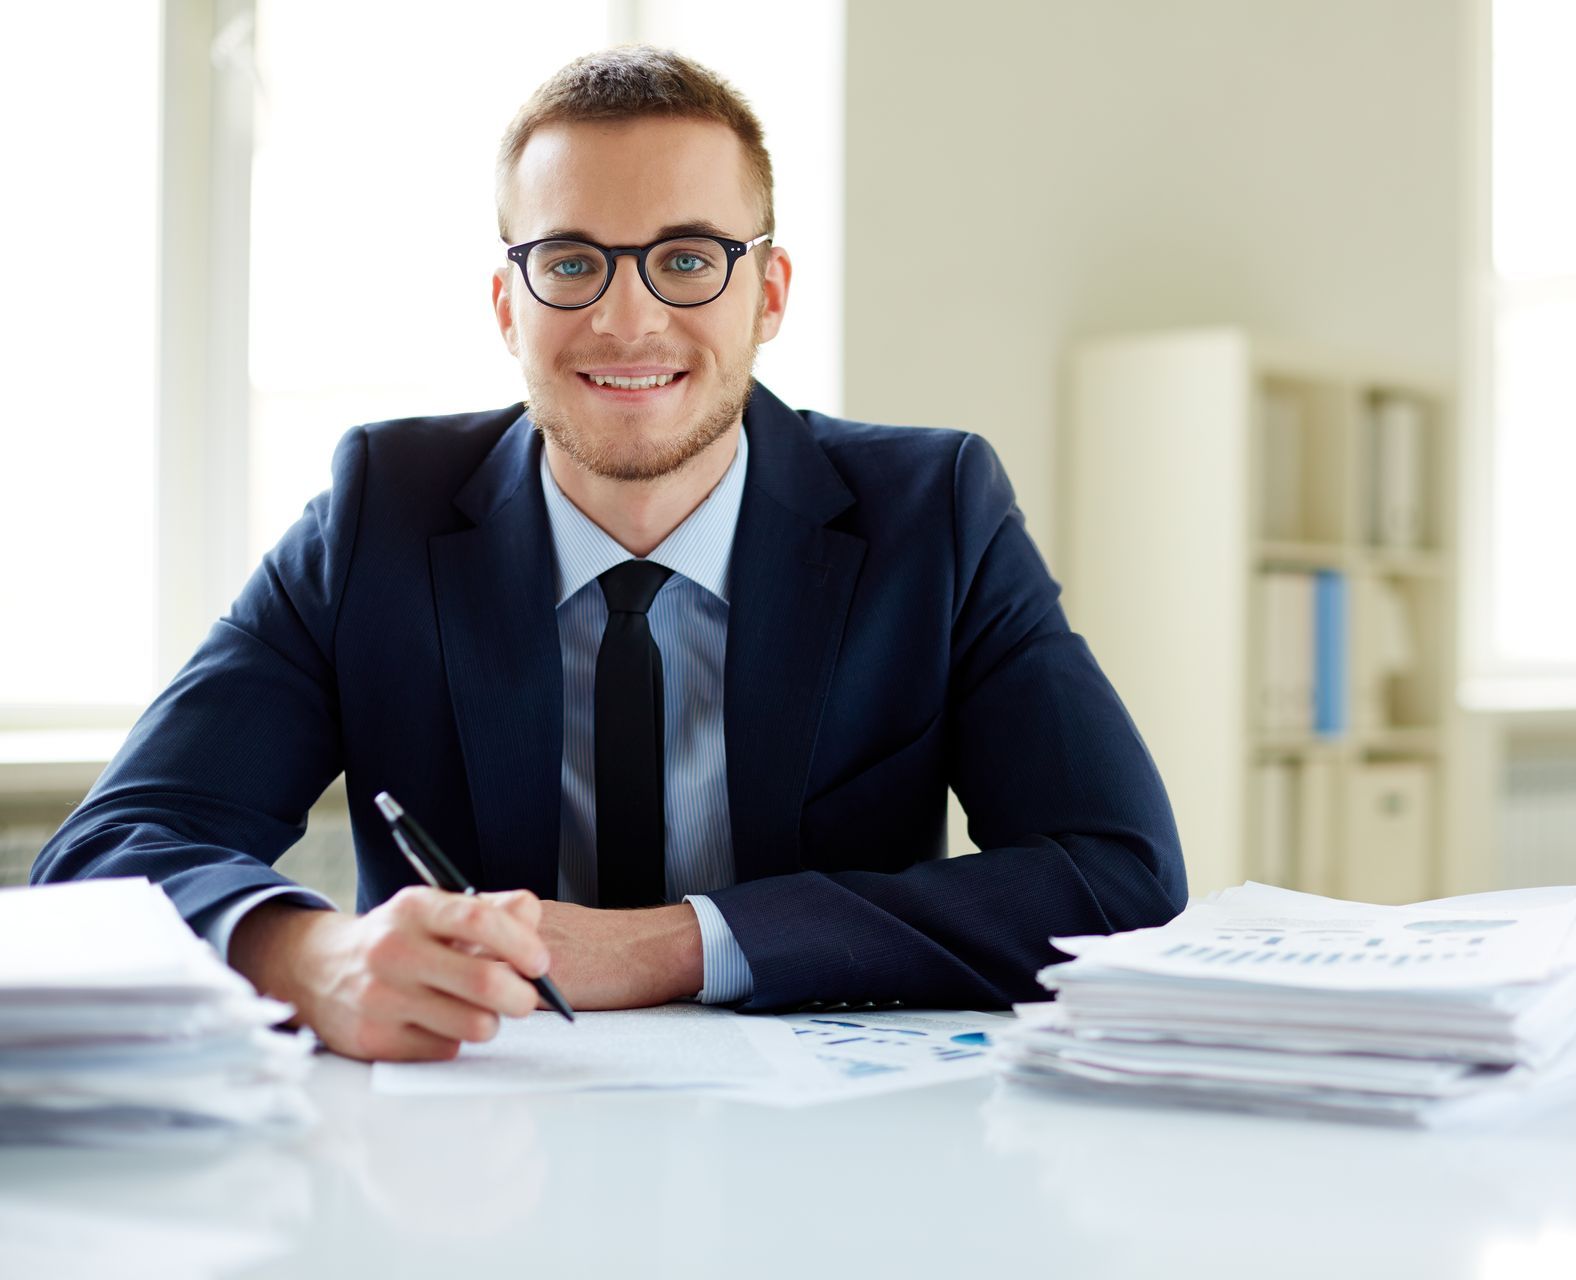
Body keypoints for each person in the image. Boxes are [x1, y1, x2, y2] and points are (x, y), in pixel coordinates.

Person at [32, 45, 1183, 1062]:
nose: (627, 321)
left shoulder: (933, 511)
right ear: (506, 304)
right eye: (572, 261)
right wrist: (313, 954)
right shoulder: (378, 511)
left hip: (833, 1168)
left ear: (767, 292)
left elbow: (1118, 876)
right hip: (467, 1148)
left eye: (687, 258)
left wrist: (671, 946)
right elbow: (105, 856)